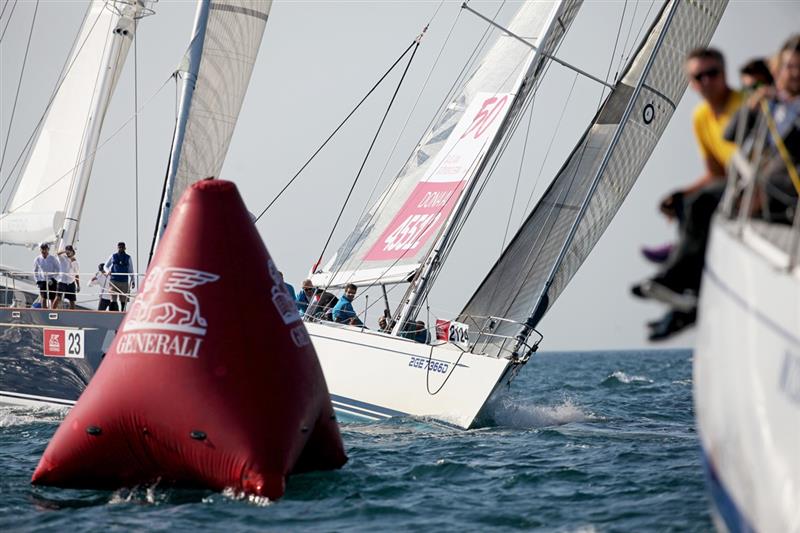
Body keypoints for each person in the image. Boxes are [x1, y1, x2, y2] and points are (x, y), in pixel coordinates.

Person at [634, 48, 744, 339]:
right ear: (692, 83)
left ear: (724, 74)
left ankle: (672, 274)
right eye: (699, 76)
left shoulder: (743, 106)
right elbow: (716, 172)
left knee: (700, 204)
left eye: (713, 74)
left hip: (757, 187)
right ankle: (684, 290)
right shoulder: (701, 118)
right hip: (731, 186)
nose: (707, 81)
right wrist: (677, 195)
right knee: (688, 201)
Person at [105, 242, 134, 312]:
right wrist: (108, 271)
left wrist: (133, 281)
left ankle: (122, 313)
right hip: (114, 281)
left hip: (124, 282)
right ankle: (112, 313)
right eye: (119, 247)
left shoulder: (128, 257)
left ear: (125, 248)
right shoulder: (113, 256)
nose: (121, 248)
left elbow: (131, 270)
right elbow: (105, 266)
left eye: (122, 247)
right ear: (117, 247)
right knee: (113, 299)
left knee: (123, 300)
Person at [32, 243, 59, 309]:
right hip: (42, 280)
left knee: (52, 297)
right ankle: (44, 311)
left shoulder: (53, 259)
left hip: (51, 280)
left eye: (45, 249)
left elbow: (58, 269)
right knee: (43, 297)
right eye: (42, 249)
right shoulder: (37, 259)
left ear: (48, 249)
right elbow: (35, 271)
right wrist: (37, 281)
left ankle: (52, 311)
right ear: (40, 250)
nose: (43, 251)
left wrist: (53, 278)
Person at [55, 245, 80, 310]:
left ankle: (72, 315)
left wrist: (78, 285)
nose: (68, 252)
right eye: (67, 251)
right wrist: (64, 251)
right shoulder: (62, 258)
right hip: (62, 281)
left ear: (72, 251)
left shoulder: (75, 261)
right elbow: (57, 253)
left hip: (71, 282)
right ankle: (52, 310)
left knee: (72, 301)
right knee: (58, 298)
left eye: (70, 251)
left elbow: (76, 274)